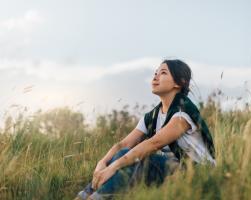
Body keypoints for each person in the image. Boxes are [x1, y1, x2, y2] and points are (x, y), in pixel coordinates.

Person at [75, 59, 216, 200]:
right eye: (156, 72)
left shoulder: (183, 110)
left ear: (179, 83)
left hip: (197, 172)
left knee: (139, 160)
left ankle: (95, 197)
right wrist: (103, 163)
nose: (156, 76)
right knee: (124, 153)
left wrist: (113, 167)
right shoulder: (153, 116)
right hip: (172, 168)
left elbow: (154, 144)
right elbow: (123, 145)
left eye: (163, 73)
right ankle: (89, 195)